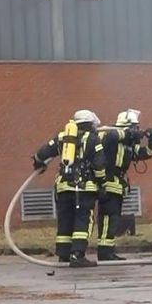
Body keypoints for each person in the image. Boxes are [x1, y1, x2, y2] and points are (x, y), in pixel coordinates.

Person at [32, 110, 106, 267]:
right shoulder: (93, 139)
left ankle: (63, 255)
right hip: (84, 188)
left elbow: (41, 153)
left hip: (63, 187)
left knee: (65, 220)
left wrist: (39, 163)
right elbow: (99, 165)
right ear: (90, 124)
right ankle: (77, 255)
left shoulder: (63, 137)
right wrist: (102, 183)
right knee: (83, 220)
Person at [96, 109, 152, 261]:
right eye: (134, 127)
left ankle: (109, 250)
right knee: (107, 218)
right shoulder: (110, 136)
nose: (137, 130)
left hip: (118, 186)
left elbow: (146, 153)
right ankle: (104, 252)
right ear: (125, 127)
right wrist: (133, 134)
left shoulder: (127, 144)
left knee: (114, 218)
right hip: (107, 184)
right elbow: (114, 136)